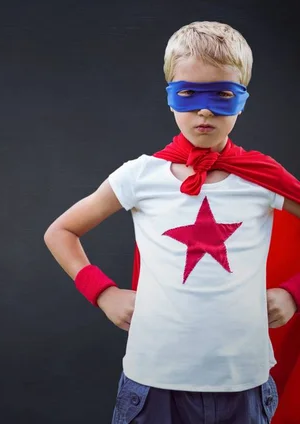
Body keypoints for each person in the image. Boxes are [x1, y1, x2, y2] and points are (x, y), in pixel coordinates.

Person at [43, 21, 300, 424]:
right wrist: (103, 292)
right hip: (153, 382)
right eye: (188, 94)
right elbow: (60, 231)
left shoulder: (260, 176)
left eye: (222, 95)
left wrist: (294, 292)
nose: (204, 109)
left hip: (243, 381)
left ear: (243, 99)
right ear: (169, 98)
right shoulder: (139, 176)